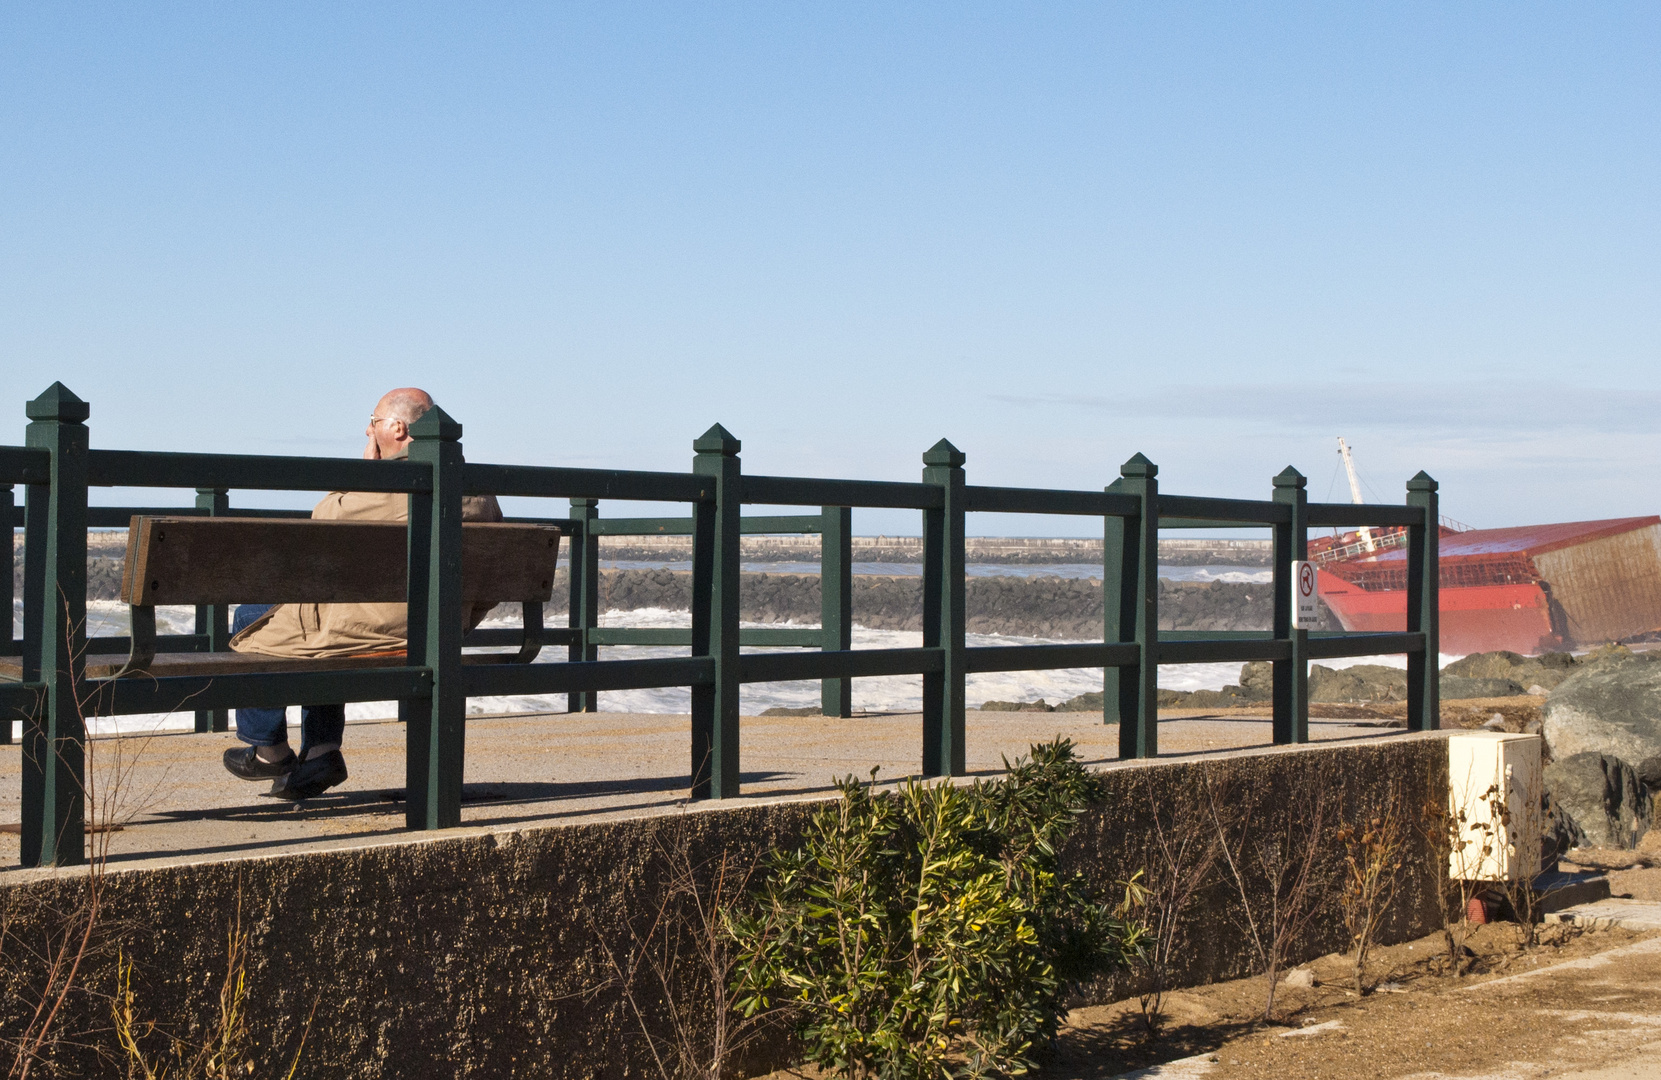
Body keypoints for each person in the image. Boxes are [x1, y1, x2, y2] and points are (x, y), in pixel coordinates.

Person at [220, 387, 502, 799]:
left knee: (254, 619)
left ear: (398, 428)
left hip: (368, 633)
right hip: (436, 632)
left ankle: (270, 750)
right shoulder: (480, 494)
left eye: (372, 424)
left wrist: (365, 473)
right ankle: (319, 751)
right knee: (326, 626)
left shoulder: (381, 490)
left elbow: (324, 516)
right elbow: (489, 586)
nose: (366, 431)